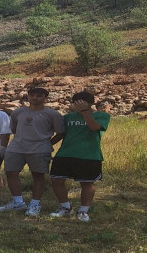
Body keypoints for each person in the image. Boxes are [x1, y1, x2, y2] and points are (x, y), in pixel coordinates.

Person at [0, 88, 65, 216]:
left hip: (39, 149)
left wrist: (48, 143)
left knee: (38, 176)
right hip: (16, 147)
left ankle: (35, 204)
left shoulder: (52, 114)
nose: (35, 98)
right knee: (11, 173)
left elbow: (60, 132)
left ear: (45, 98)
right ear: (27, 97)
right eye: (32, 95)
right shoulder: (18, 112)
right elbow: (14, 129)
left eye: (39, 96)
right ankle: (17, 202)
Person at [49, 91, 110, 222]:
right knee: (56, 180)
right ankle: (65, 207)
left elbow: (94, 128)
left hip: (89, 155)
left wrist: (85, 112)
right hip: (65, 153)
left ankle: (83, 211)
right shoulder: (67, 117)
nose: (78, 106)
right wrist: (48, 144)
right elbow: (60, 134)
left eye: (82, 103)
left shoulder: (102, 115)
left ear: (90, 103)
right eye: (76, 103)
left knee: (87, 183)